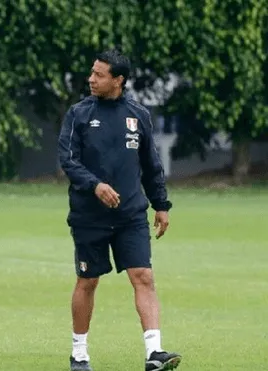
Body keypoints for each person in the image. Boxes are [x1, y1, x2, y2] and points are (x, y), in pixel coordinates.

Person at [58, 49, 182, 371]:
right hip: (89, 217)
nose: (91, 79)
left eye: (99, 75)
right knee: (88, 281)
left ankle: (154, 353)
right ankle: (79, 353)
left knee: (143, 276)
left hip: (130, 216)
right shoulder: (79, 114)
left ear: (118, 80)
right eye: (92, 72)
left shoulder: (138, 115)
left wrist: (161, 204)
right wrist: (95, 185)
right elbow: (68, 160)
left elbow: (151, 165)